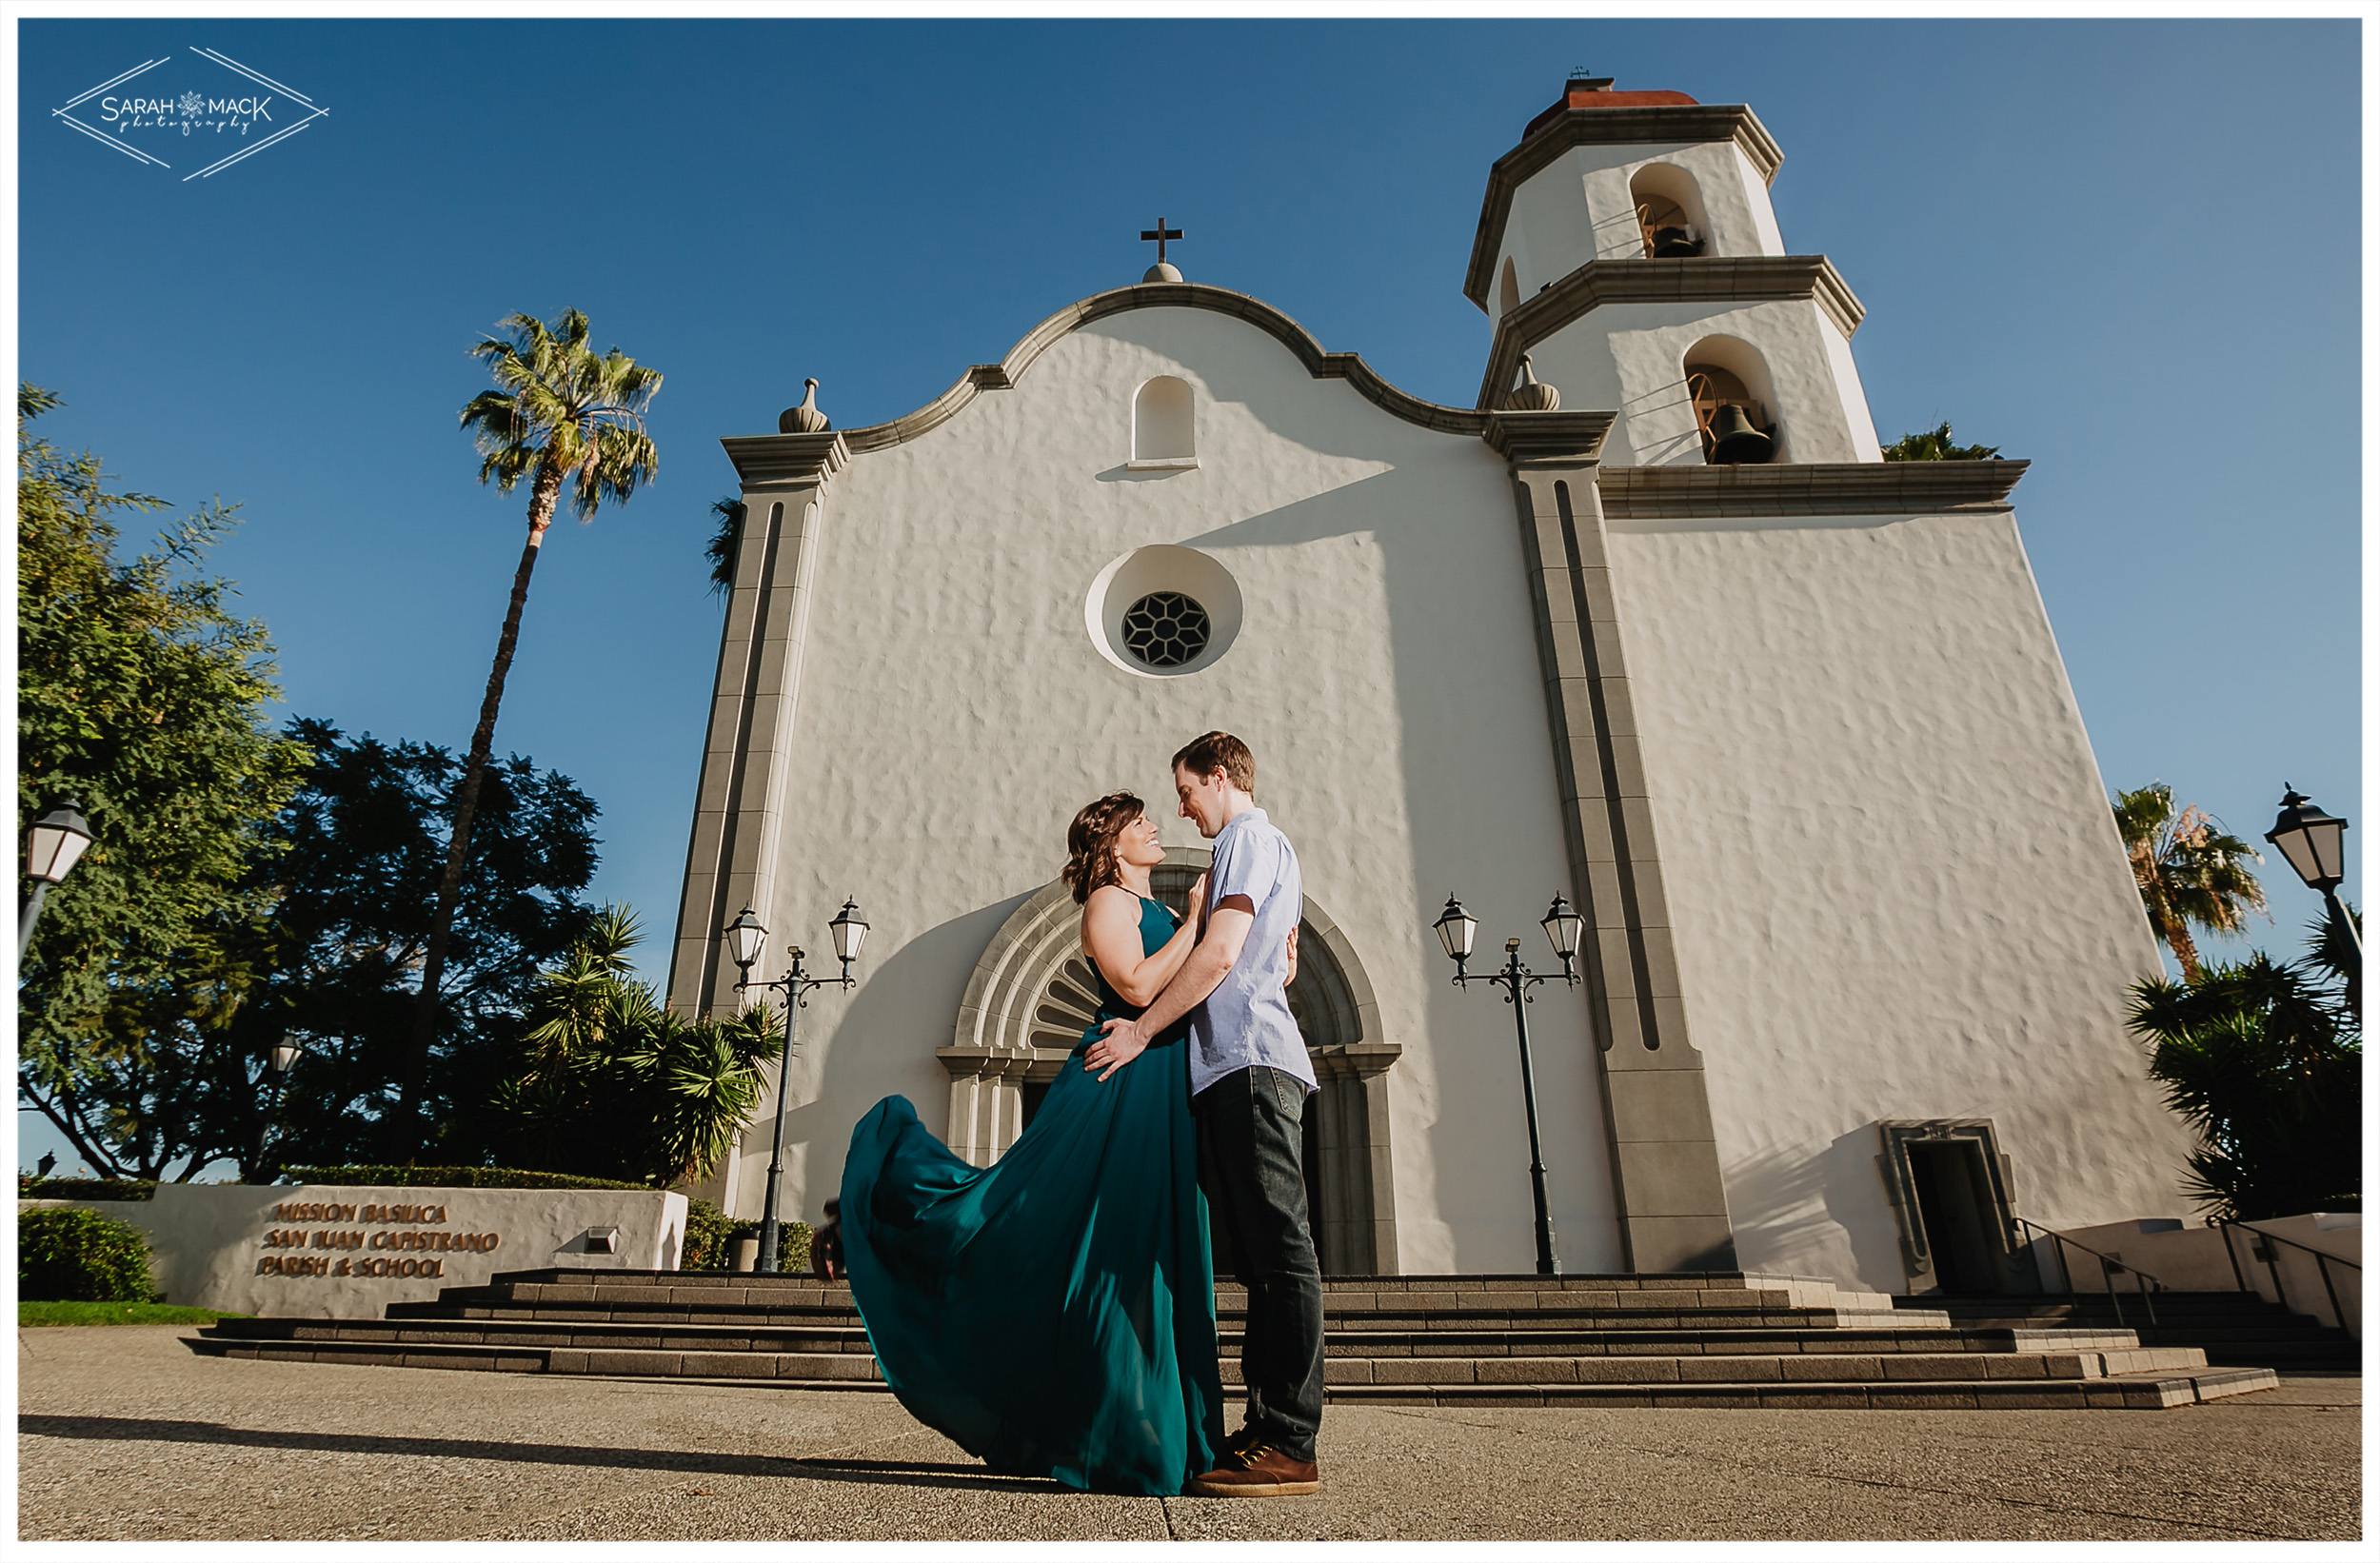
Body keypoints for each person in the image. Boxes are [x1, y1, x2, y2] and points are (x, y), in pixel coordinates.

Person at [830, 791, 1230, 1495]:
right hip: (1117, 1086)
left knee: (1148, 1255)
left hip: (1161, 1088)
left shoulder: (1160, 911)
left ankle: (1160, 1434)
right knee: (1088, 1246)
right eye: (1141, 823)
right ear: (1110, 846)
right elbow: (1136, 987)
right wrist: (1196, 921)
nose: (1156, 827)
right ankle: (882, 1224)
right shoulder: (1108, 903)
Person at [1085, 731, 1324, 1498]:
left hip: (1250, 1065)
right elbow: (1265, 956)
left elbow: (1221, 954)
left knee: (1281, 1254)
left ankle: (1289, 1439)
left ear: (1218, 777)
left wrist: (1144, 1031)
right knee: (1259, 1260)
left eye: (1186, 792)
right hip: (1231, 1068)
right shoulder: (1252, 850)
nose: (1183, 810)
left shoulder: (1249, 840)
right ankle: (1263, 1430)